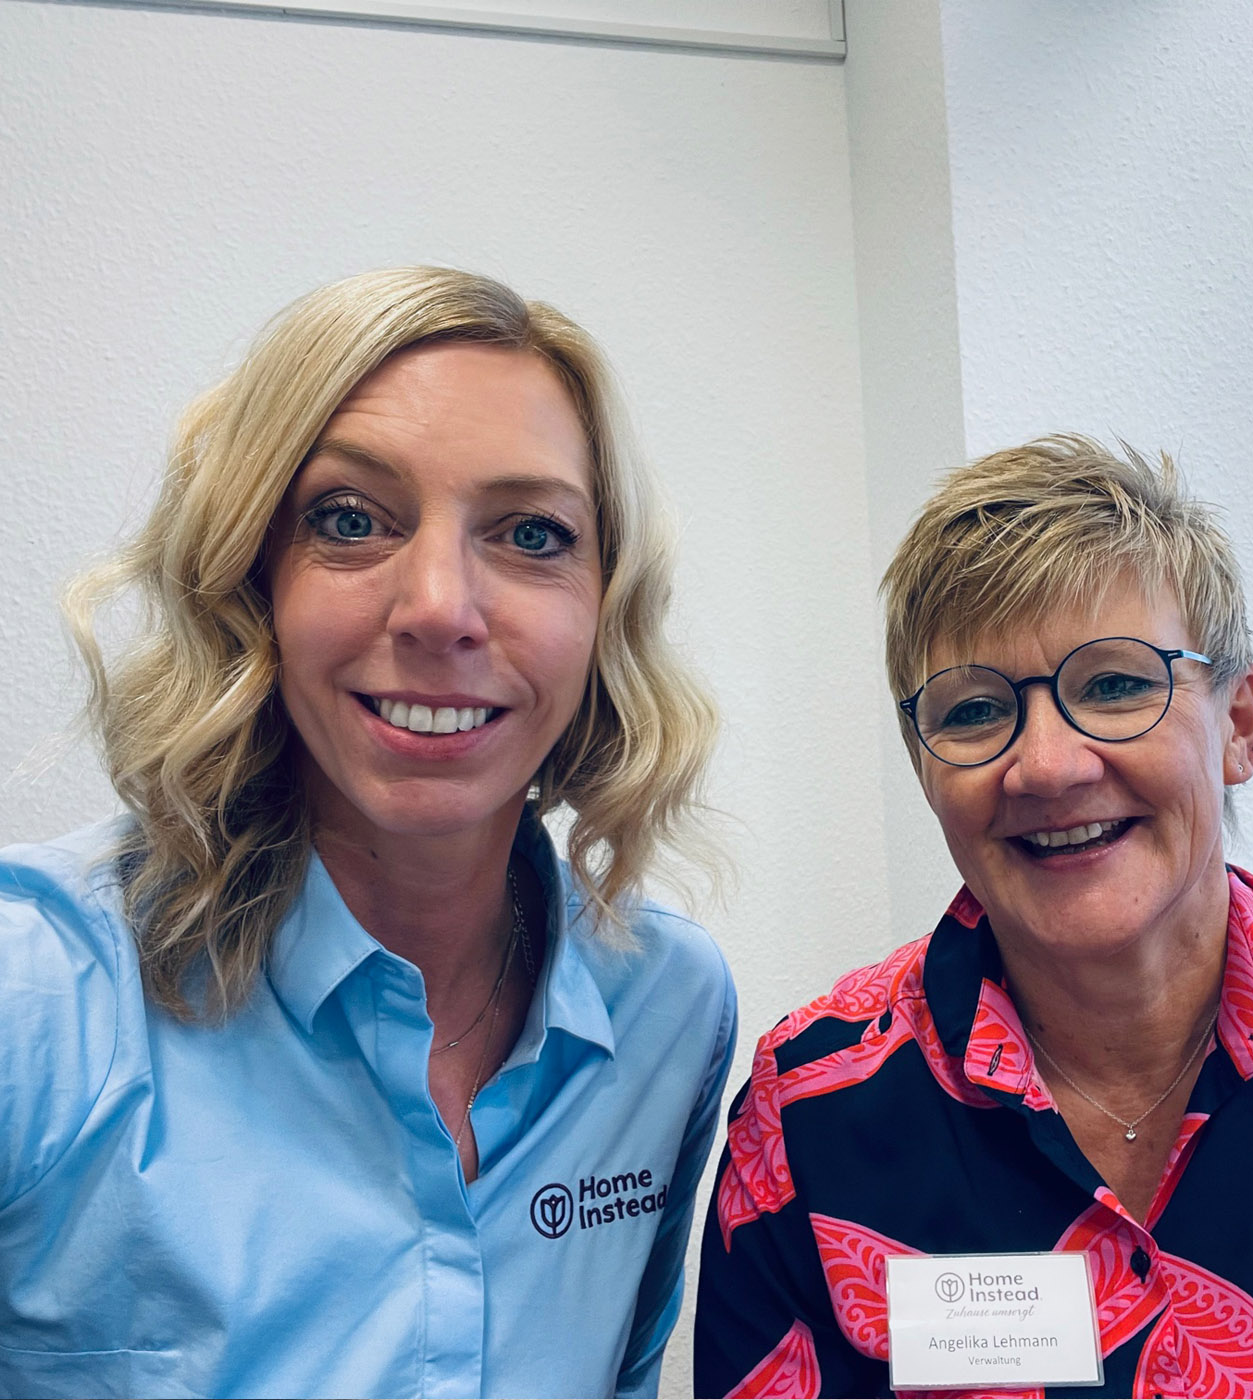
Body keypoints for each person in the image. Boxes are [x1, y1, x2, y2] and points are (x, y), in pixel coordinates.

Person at [0, 267, 735, 1400]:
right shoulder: (36, 996)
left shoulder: (666, 1009)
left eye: (532, 533)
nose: (439, 607)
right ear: (249, 577)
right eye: (349, 521)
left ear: (605, 607)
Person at [694, 436, 1253, 1399]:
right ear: (925, 768)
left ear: (1239, 726)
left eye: (1114, 685)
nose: (1049, 766)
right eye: (975, 711)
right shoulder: (809, 1117)